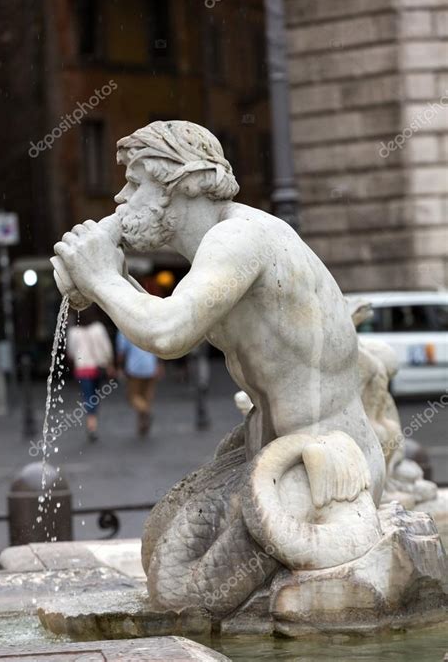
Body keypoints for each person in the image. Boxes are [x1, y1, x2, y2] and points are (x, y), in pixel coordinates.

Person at [54, 120, 385, 503]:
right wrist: (113, 278)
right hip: (279, 456)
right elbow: (169, 321)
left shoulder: (240, 237)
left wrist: (100, 279)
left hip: (325, 470)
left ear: (190, 182)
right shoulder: (220, 249)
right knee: (171, 542)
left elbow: (167, 334)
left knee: (194, 557)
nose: (120, 197)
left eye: (135, 182)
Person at [67, 308, 114, 441]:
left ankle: (91, 424)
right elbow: (106, 348)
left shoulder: (73, 332)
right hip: (97, 367)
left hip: (82, 369)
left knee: (88, 396)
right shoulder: (98, 328)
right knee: (95, 395)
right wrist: (109, 363)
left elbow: (70, 351)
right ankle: (92, 422)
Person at [116, 331, 160, 436]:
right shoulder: (149, 326)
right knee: (146, 397)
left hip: (135, 369)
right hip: (150, 366)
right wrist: (159, 364)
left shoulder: (124, 328)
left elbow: (121, 352)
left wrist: (119, 367)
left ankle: (146, 411)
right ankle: (142, 425)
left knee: (132, 398)